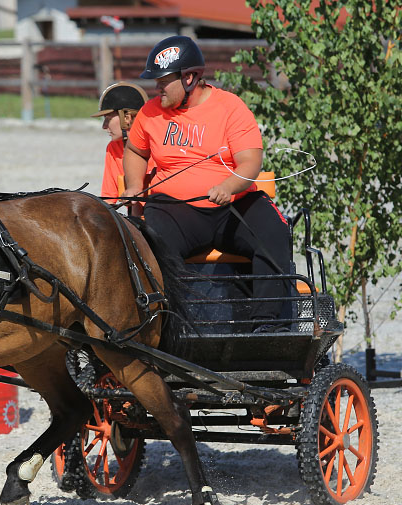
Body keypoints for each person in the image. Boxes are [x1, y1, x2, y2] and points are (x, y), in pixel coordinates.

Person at [121, 35, 294, 333]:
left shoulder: (230, 107)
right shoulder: (150, 113)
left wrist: (229, 187)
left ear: (189, 77)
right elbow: (136, 150)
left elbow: (250, 163)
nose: (156, 87)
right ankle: (169, 327)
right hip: (177, 209)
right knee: (150, 243)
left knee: (275, 231)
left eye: (163, 80)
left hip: (232, 205)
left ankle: (266, 326)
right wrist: (135, 184)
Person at [93, 82, 150, 201]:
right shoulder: (113, 148)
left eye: (108, 119)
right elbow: (108, 199)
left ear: (127, 118)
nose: (104, 126)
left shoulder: (156, 144)